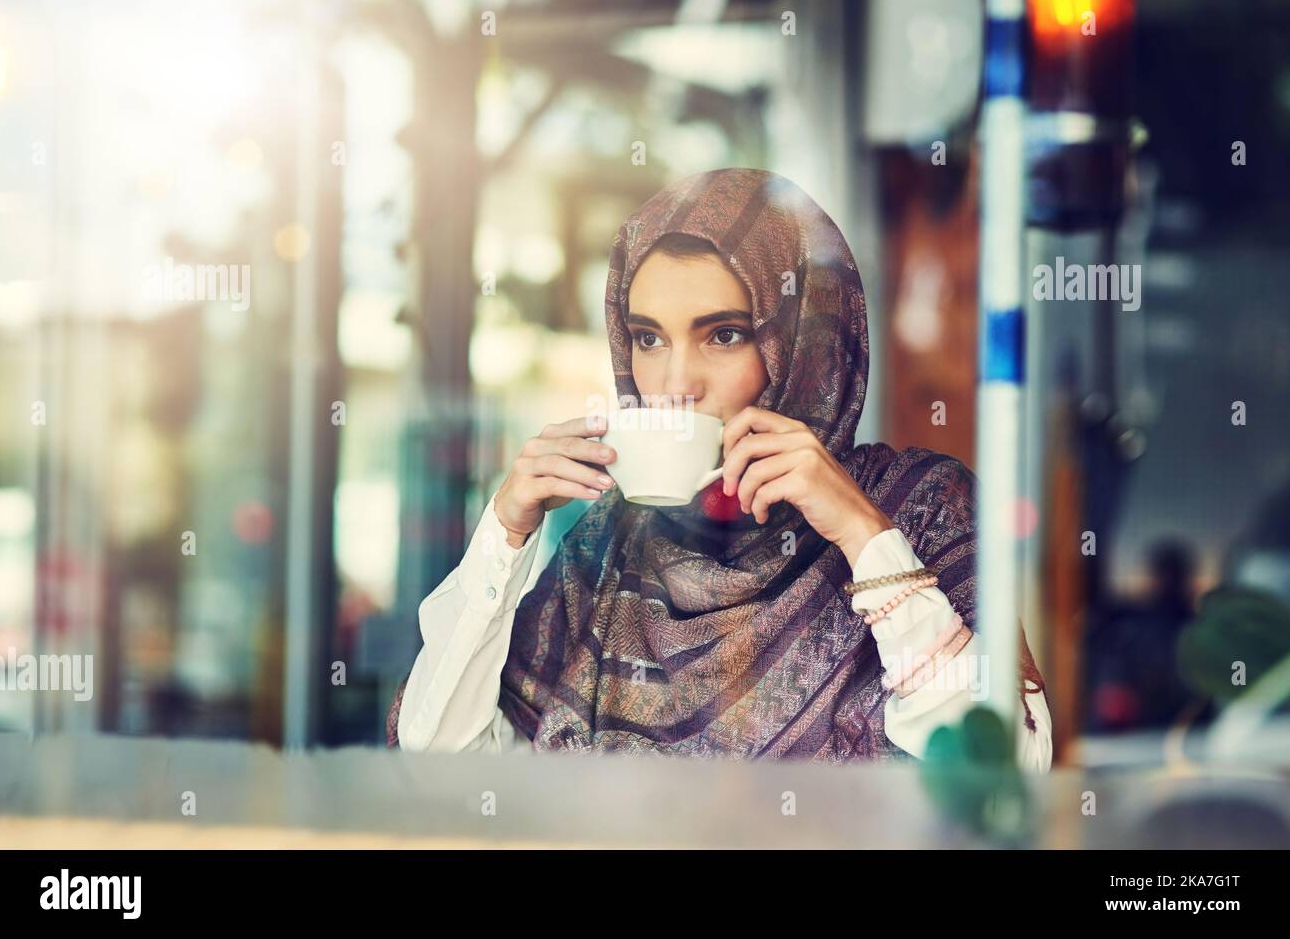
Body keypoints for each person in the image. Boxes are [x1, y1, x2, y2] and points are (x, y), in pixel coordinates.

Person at [386, 168, 1051, 772]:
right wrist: (504, 534)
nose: (675, 382)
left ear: (804, 346)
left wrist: (862, 535)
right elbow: (442, 765)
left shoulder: (919, 505)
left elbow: (1007, 775)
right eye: (647, 338)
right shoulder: (605, 549)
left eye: (723, 333)